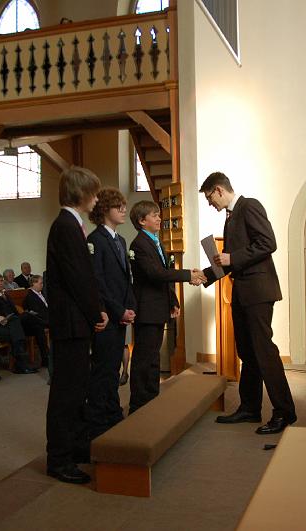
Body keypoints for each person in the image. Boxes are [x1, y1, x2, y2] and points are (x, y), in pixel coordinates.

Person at [199, 172, 297, 435]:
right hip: (243, 293)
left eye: (209, 198)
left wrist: (232, 258)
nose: (210, 204)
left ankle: (284, 412)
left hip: (258, 292)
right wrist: (204, 275)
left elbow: (268, 243)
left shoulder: (249, 205)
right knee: (247, 353)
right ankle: (250, 408)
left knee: (264, 352)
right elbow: (230, 261)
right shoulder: (230, 217)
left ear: (219, 190)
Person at [45, 166, 108, 485]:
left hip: (76, 320)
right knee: (66, 393)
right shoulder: (66, 226)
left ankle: (76, 446)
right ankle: (59, 459)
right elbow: (78, 278)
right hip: (70, 321)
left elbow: (84, 276)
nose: (96, 199)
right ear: (80, 193)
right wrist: (96, 313)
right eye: (93, 193)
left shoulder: (72, 224)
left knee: (78, 388)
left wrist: (95, 311)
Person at [128, 200, 205, 414]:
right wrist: (189, 275)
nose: (159, 218)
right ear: (142, 221)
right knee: (144, 358)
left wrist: (173, 300)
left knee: (153, 357)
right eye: (154, 215)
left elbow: (164, 276)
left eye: (158, 214)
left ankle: (152, 397)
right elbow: (156, 274)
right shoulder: (139, 244)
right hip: (147, 308)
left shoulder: (156, 241)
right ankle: (139, 404)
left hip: (158, 306)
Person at [86, 188, 137, 438]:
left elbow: (126, 279)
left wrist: (130, 307)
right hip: (106, 315)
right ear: (105, 210)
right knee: (103, 369)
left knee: (114, 367)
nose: (124, 210)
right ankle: (97, 421)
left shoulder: (121, 240)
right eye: (119, 206)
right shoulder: (95, 239)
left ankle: (112, 412)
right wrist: (118, 310)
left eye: (124, 206)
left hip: (121, 314)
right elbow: (98, 282)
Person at [23, 274, 50, 373]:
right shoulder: (30, 297)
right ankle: (46, 357)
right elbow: (36, 313)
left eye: (42, 283)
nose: (42, 285)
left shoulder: (41, 293)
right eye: (40, 283)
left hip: (44, 320)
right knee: (39, 328)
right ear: (33, 284)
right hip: (37, 321)